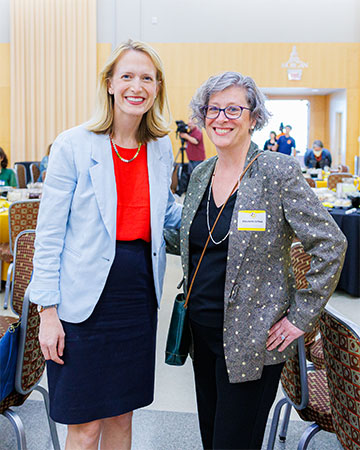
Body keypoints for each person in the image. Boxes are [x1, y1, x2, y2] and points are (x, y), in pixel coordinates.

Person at [178, 71, 347, 450]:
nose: (221, 117)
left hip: (253, 341)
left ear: (254, 117)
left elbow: (330, 244)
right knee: (212, 437)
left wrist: (301, 316)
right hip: (201, 334)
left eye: (234, 108)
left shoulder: (276, 171)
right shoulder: (200, 173)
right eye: (213, 109)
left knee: (234, 442)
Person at [29, 39, 182, 450]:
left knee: (121, 414)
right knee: (84, 425)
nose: (137, 85)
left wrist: (225, 207)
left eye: (147, 77)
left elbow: (168, 214)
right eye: (127, 76)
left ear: (157, 87)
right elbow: (49, 236)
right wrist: (47, 312)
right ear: (110, 84)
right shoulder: (73, 145)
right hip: (81, 302)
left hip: (136, 298)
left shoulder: (159, 147)